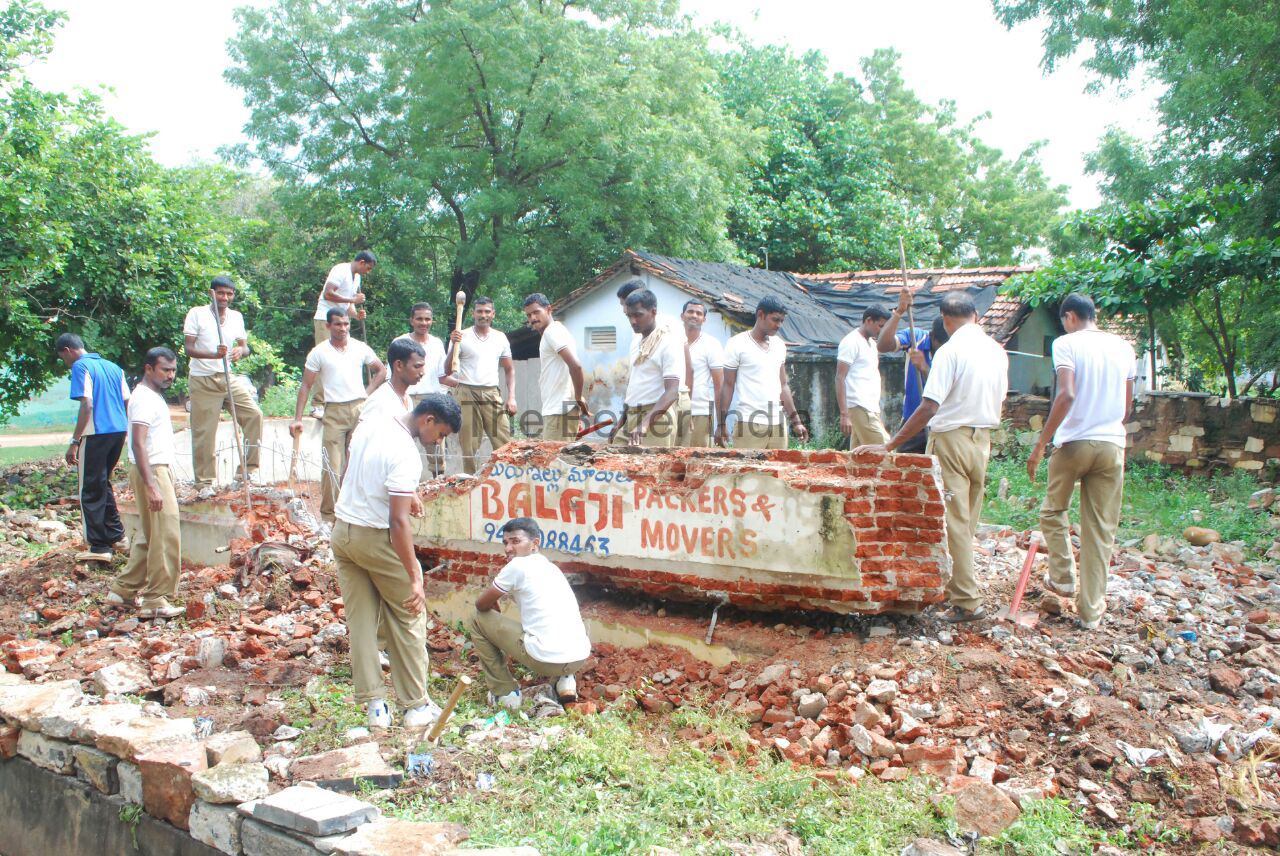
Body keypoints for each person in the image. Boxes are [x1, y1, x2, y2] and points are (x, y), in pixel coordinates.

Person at [854, 291, 1008, 623]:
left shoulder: (951, 351)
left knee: (952, 521)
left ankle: (967, 602)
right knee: (965, 522)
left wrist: (890, 444)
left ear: (946, 319)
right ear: (976, 317)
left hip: (952, 440)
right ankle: (958, 590)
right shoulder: (996, 351)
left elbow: (929, 406)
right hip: (982, 441)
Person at [332, 394, 462, 728]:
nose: (439, 441)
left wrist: (409, 493)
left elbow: (357, 469)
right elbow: (399, 523)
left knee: (360, 623)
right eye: (442, 433)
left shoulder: (373, 424)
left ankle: (376, 707)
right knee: (409, 614)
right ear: (427, 420)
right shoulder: (406, 453)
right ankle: (415, 707)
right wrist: (415, 576)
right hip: (375, 538)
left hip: (343, 533)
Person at [1028, 293, 1135, 630]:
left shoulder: (1067, 344)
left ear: (1070, 317)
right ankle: (1090, 614)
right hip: (1111, 446)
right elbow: (1128, 406)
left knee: (1052, 510)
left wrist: (1042, 442)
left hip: (1073, 444)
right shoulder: (1125, 348)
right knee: (1100, 531)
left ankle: (1062, 578)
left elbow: (1067, 394)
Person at [469, 517, 592, 710]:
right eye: (506, 543)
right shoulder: (552, 568)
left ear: (535, 543)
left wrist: (492, 603)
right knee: (563, 619)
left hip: (545, 660)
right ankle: (566, 682)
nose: (508, 548)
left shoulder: (517, 566)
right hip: (579, 658)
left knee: (477, 619)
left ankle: (504, 693)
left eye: (516, 541)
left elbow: (480, 605)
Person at [110, 347, 184, 619]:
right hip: (151, 470)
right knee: (166, 533)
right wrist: (152, 484)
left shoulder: (151, 396)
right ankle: (156, 598)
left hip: (156, 469)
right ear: (149, 368)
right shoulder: (143, 398)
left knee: (149, 535)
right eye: (165, 370)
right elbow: (138, 442)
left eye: (174, 370)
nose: (171, 376)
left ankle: (123, 590)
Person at [293, 308, 386, 521]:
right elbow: (306, 386)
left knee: (360, 462)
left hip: (359, 408)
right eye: (337, 324)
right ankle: (329, 517)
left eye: (345, 324)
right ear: (328, 326)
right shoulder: (319, 352)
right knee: (332, 466)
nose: (343, 328)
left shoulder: (359, 347)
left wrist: (366, 393)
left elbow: (381, 370)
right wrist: (297, 419)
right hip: (333, 410)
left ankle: (358, 512)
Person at [183, 275, 264, 485]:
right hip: (203, 380)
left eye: (229, 294)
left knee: (254, 415)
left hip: (227, 377)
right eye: (220, 293)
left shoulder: (236, 317)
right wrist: (213, 354)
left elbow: (245, 347)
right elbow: (189, 348)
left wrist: (240, 351)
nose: (224, 297)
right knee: (205, 432)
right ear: (212, 293)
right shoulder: (197, 314)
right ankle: (205, 482)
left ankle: (248, 471)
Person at [56, 333, 130, 564]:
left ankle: (98, 546)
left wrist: (75, 440)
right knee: (102, 483)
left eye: (63, 357)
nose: (65, 362)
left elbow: (87, 404)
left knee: (89, 488)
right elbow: (127, 400)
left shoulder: (80, 366)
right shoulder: (113, 367)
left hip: (96, 432)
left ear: (68, 350)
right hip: (118, 430)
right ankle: (117, 537)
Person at [716, 297, 809, 449]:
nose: (779, 325)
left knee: (777, 471)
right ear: (760, 315)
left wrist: (796, 421)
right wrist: (721, 424)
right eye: (775, 320)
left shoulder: (779, 345)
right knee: (748, 471)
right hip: (748, 422)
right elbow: (727, 385)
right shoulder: (737, 343)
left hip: (778, 424)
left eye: (781, 321)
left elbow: (783, 386)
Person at [442, 296, 514, 474]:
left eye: (487, 311)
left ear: (493, 314)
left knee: (503, 439)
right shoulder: (461, 335)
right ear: (473, 313)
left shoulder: (500, 338)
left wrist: (512, 396)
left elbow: (509, 370)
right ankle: (469, 480)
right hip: (466, 392)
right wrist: (453, 346)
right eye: (479, 311)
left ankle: (507, 475)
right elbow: (447, 370)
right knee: (469, 444)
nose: (483, 315)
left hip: (491, 393)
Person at [616, 280, 691, 439]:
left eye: (638, 315)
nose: (633, 321)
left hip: (657, 417)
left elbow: (672, 391)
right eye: (629, 316)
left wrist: (644, 425)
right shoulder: (636, 341)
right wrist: (621, 421)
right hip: (633, 413)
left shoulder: (668, 339)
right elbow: (634, 384)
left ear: (653, 312)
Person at [877, 291, 949, 454]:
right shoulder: (916, 338)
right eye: (940, 345)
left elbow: (945, 390)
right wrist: (899, 312)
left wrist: (924, 368)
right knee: (904, 465)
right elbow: (882, 345)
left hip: (942, 422)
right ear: (932, 336)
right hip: (914, 419)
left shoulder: (956, 351)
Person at [310, 251, 376, 415]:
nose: (367, 272)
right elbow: (328, 293)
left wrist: (356, 315)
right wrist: (353, 300)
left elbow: (347, 306)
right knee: (324, 358)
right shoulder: (340, 270)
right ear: (361, 262)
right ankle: (317, 405)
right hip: (325, 320)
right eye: (367, 268)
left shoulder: (357, 278)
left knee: (341, 362)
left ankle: (332, 402)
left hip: (342, 322)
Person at [523, 293, 588, 441]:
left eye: (536, 312)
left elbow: (576, 367)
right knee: (559, 461)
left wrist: (578, 398)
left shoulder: (552, 332)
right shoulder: (556, 331)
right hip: (561, 410)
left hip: (558, 412)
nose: (532, 318)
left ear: (548, 309)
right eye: (529, 315)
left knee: (553, 462)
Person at [396, 303, 449, 476]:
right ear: (411, 320)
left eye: (427, 319)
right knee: (403, 445)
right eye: (419, 318)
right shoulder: (400, 342)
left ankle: (438, 487)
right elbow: (393, 376)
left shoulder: (437, 343)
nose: (423, 322)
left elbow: (443, 376)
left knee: (435, 450)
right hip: (408, 398)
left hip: (431, 401)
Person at [836, 306, 893, 448]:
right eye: (880, 326)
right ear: (868, 320)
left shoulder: (873, 344)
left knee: (859, 458)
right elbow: (839, 378)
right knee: (886, 450)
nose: (881, 331)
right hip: (859, 406)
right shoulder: (851, 342)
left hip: (871, 407)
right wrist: (844, 414)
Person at [681, 299, 724, 447]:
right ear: (682, 316)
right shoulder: (672, 341)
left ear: (704, 320)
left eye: (698, 313)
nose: (694, 315)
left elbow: (719, 386)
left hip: (700, 412)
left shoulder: (711, 344)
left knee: (697, 462)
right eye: (690, 311)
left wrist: (721, 423)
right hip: (673, 411)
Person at [359, 338, 425, 425]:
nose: (422, 373)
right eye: (417, 366)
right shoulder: (379, 401)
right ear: (399, 365)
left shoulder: (407, 399)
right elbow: (361, 436)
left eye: (422, 366)